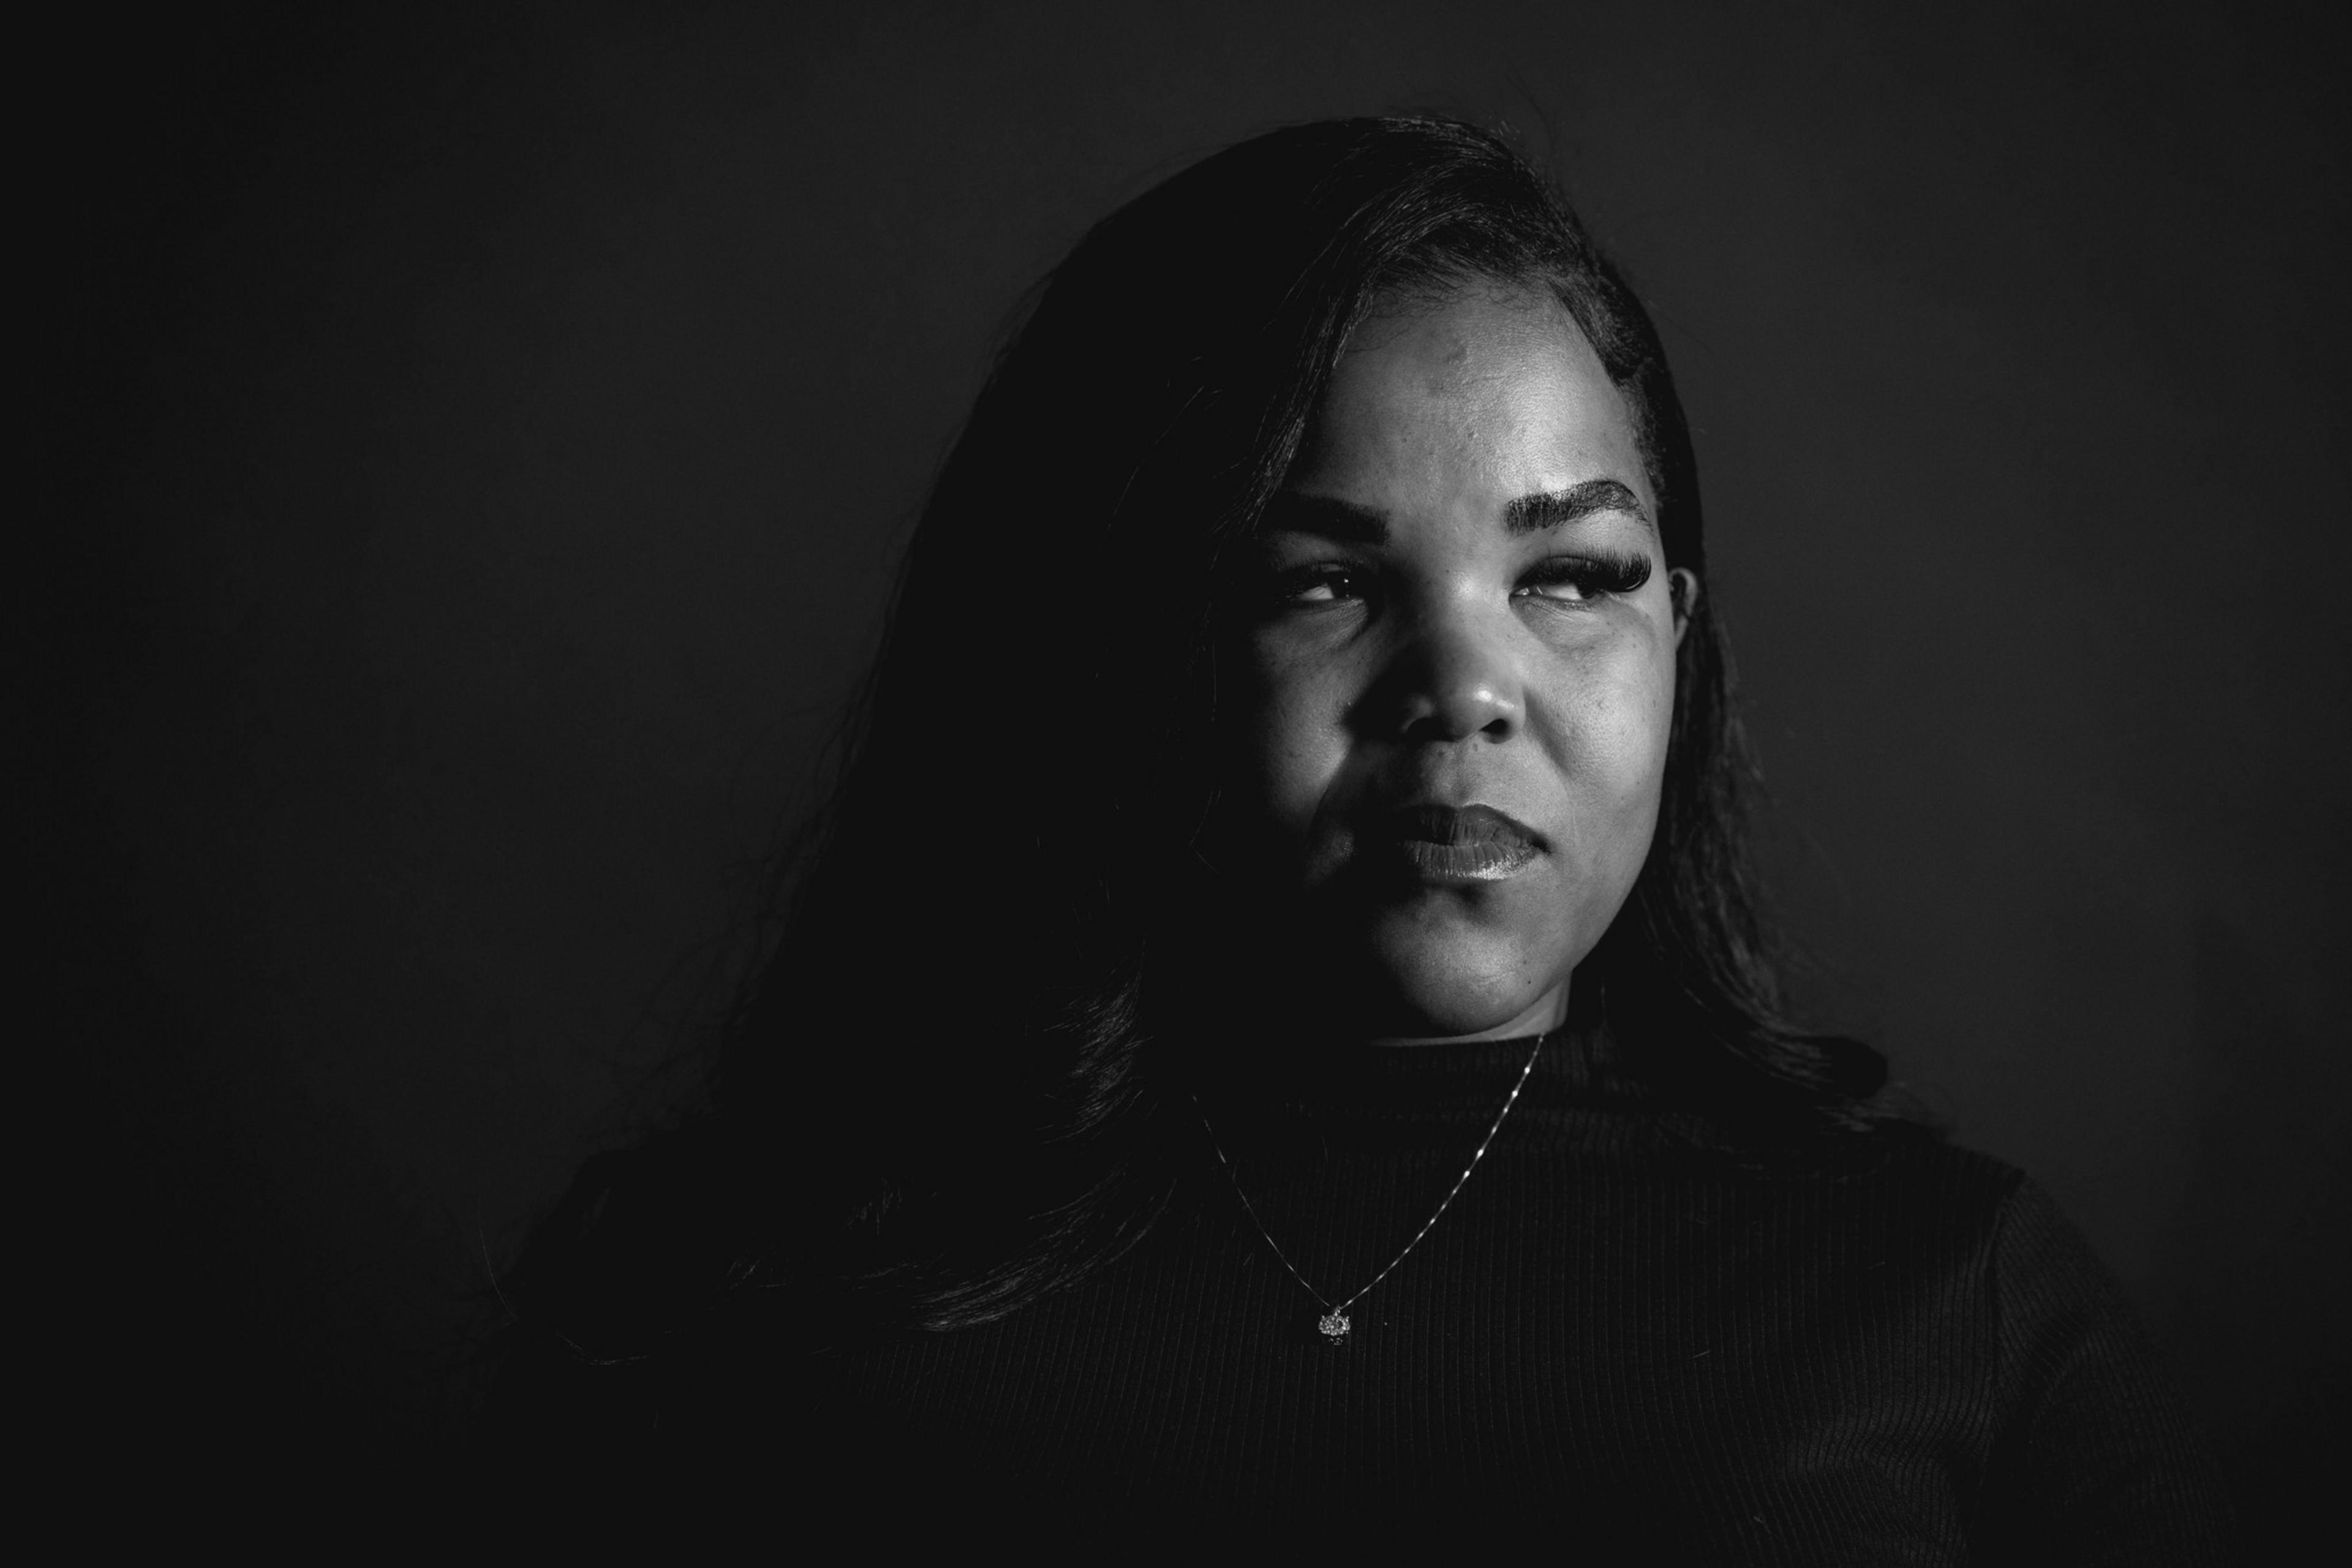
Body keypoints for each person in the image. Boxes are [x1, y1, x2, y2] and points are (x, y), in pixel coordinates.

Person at [481, 116, 2232, 1558]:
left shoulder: (1945, 1298)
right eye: (1320, 580)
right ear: (1116, 636)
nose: (1465, 687)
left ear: (1679, 639)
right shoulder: (747, 1304)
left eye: (1571, 576)